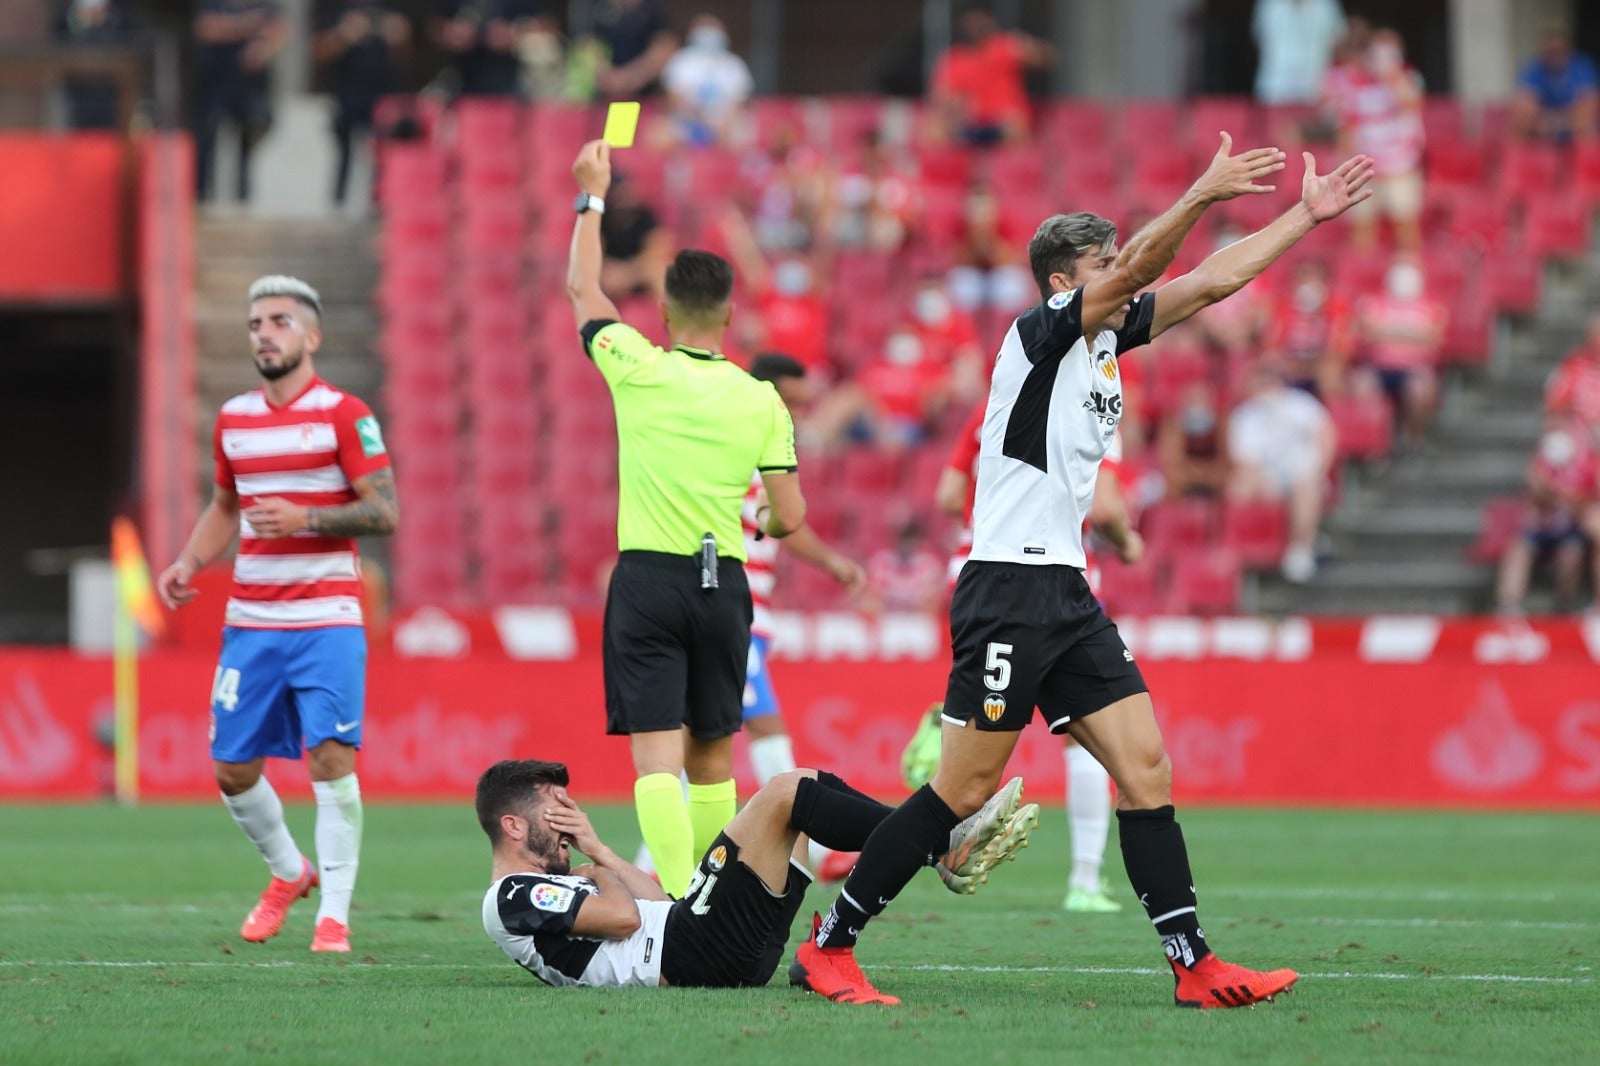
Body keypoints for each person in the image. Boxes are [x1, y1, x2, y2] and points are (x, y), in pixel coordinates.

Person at [790, 133, 1375, 1008]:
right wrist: (1203, 193)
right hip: (1006, 587)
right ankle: (830, 945)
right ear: (1068, 280)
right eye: (1106, 262)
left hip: (1065, 591)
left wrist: (1303, 214)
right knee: (963, 786)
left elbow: (1211, 282)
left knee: (1146, 770)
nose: (1126, 274)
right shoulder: (1037, 337)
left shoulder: (1099, 343)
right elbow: (1152, 257)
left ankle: (1195, 966)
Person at [566, 139, 802, 900]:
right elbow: (788, 515)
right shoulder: (761, 398)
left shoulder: (637, 365)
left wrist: (592, 195)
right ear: (731, 315)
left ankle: (669, 901)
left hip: (650, 578)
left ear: (664, 312)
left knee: (655, 762)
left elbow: (582, 290)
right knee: (713, 763)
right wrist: (761, 516)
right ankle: (712, 899)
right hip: (723, 585)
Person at [154, 276, 399, 953]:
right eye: (256, 322)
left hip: (326, 618)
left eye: (280, 321)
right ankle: (290, 873)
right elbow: (226, 506)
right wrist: (188, 561)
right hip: (252, 622)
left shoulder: (345, 414)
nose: (264, 332)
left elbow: (385, 510)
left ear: (312, 337)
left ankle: (335, 919)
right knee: (231, 767)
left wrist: (307, 516)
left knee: (330, 759)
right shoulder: (234, 418)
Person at [477, 758, 1037, 991]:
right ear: (515, 827)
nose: (567, 816)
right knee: (785, 793)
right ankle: (940, 842)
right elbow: (624, 919)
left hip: (699, 944)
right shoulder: (507, 897)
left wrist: (600, 851)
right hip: (686, 957)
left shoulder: (569, 876)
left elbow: (659, 902)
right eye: (554, 809)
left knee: (806, 783)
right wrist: (595, 868)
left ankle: (938, 845)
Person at [919, 399, 1140, 913]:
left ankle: (939, 755)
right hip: (1055, 584)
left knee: (972, 734)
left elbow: (949, 492)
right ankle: (1084, 880)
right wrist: (1129, 546)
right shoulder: (1092, 408)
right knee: (1087, 739)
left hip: (975, 576)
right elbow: (1106, 510)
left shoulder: (990, 408)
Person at [736, 354, 867, 877]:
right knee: (762, 726)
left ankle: (654, 862)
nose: (792, 411)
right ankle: (809, 848)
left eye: (798, 403)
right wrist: (835, 562)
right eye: (786, 399)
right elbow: (785, 520)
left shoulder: (759, 446)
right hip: (732, 611)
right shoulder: (744, 447)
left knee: (700, 739)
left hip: (748, 614)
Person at [1226, 363, 1337, 583]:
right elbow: (1246, 462)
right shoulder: (1245, 416)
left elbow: (1325, 437)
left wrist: (1321, 471)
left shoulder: (1302, 404)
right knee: (1238, 490)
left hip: (1304, 470)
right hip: (1267, 475)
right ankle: (1243, 551)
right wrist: (1262, 483)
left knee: (1306, 487)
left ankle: (1301, 548)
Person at [1323, 27, 1424, 250]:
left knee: (1405, 223)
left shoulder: (1409, 77)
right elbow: (1345, 123)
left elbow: (1411, 103)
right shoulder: (1353, 82)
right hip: (1366, 167)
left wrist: (1391, 75)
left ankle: (1409, 275)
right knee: (1362, 226)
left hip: (1401, 165)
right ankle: (1361, 277)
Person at [1494, 423, 1599, 616]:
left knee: (1572, 554)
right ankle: (1508, 606)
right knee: (1518, 550)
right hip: (1541, 529)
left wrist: (1566, 497)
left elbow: (1587, 502)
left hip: (1569, 531)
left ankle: (1564, 604)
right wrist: (1546, 489)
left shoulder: (1587, 469)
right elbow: (1535, 494)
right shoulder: (1540, 467)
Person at [313, 0, 410, 205]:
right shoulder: (337, 8)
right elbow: (318, 52)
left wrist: (397, 35)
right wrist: (344, 35)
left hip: (381, 94)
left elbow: (409, 54)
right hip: (347, 92)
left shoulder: (389, 8)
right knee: (343, 151)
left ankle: (378, 203)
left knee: (381, 153)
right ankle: (338, 202)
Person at [192, 0, 287, 203]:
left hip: (249, 83)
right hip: (214, 80)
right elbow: (205, 28)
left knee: (248, 140)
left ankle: (243, 198)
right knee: (207, 140)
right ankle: (202, 198)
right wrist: (246, 24)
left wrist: (262, 48)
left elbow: (279, 29)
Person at [1353, 256, 1447, 449]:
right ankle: (1375, 441)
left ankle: (1412, 437)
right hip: (1378, 367)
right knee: (1361, 386)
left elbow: (1433, 339)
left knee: (1420, 391)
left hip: (1415, 368)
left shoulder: (1432, 306)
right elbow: (1368, 333)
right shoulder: (1373, 302)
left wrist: (1388, 331)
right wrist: (1411, 334)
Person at [928, 1, 1053, 146]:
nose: (975, 24)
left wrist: (1030, 46)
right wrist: (959, 106)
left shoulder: (1005, 46)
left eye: (980, 18)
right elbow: (941, 97)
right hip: (969, 122)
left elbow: (1046, 58)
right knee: (933, 131)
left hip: (1004, 123)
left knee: (1017, 128)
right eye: (971, 19)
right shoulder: (953, 58)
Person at [661, 14, 753, 148]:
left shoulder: (735, 64)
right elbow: (673, 98)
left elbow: (740, 103)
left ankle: (726, 168)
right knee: (661, 135)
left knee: (740, 136)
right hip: (688, 120)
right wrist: (699, 120)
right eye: (704, 28)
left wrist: (720, 123)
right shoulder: (680, 61)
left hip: (724, 123)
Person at [432, 0, 550, 97]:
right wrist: (452, 33)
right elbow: (430, 27)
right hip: (461, 81)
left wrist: (513, 32)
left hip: (508, 80)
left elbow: (548, 23)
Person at [53, 0, 133, 130]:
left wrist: (103, 23)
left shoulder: (121, 19)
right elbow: (57, 51)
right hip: (76, 99)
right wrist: (79, 22)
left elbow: (128, 51)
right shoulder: (63, 21)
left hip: (112, 100)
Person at [1514, 23, 1598, 143]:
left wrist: (1556, 121)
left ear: (1567, 49)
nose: (1553, 56)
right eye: (1548, 52)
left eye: (1557, 51)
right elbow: (1527, 109)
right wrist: (1551, 121)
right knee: (1520, 125)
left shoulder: (1582, 66)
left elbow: (1587, 108)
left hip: (1574, 129)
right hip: (1543, 129)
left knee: (1587, 126)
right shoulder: (1533, 68)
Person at [1251, 0, 1346, 106]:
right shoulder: (1270, 4)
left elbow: (1338, 43)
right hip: (1276, 84)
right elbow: (1259, 41)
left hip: (1318, 84)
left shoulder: (1327, 4)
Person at [1545, 313, 1600, 444]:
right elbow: (1552, 412)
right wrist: (1574, 430)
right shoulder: (1573, 366)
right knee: (1556, 445)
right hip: (1576, 435)